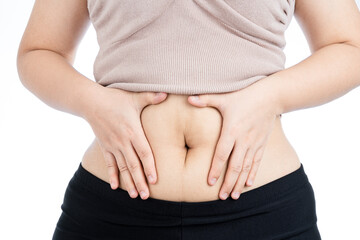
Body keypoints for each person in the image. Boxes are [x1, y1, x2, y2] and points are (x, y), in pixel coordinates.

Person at [16, 0, 360, 239]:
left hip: (262, 215)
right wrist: (94, 103)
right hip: (112, 212)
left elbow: (349, 47)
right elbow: (39, 51)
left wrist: (271, 97)